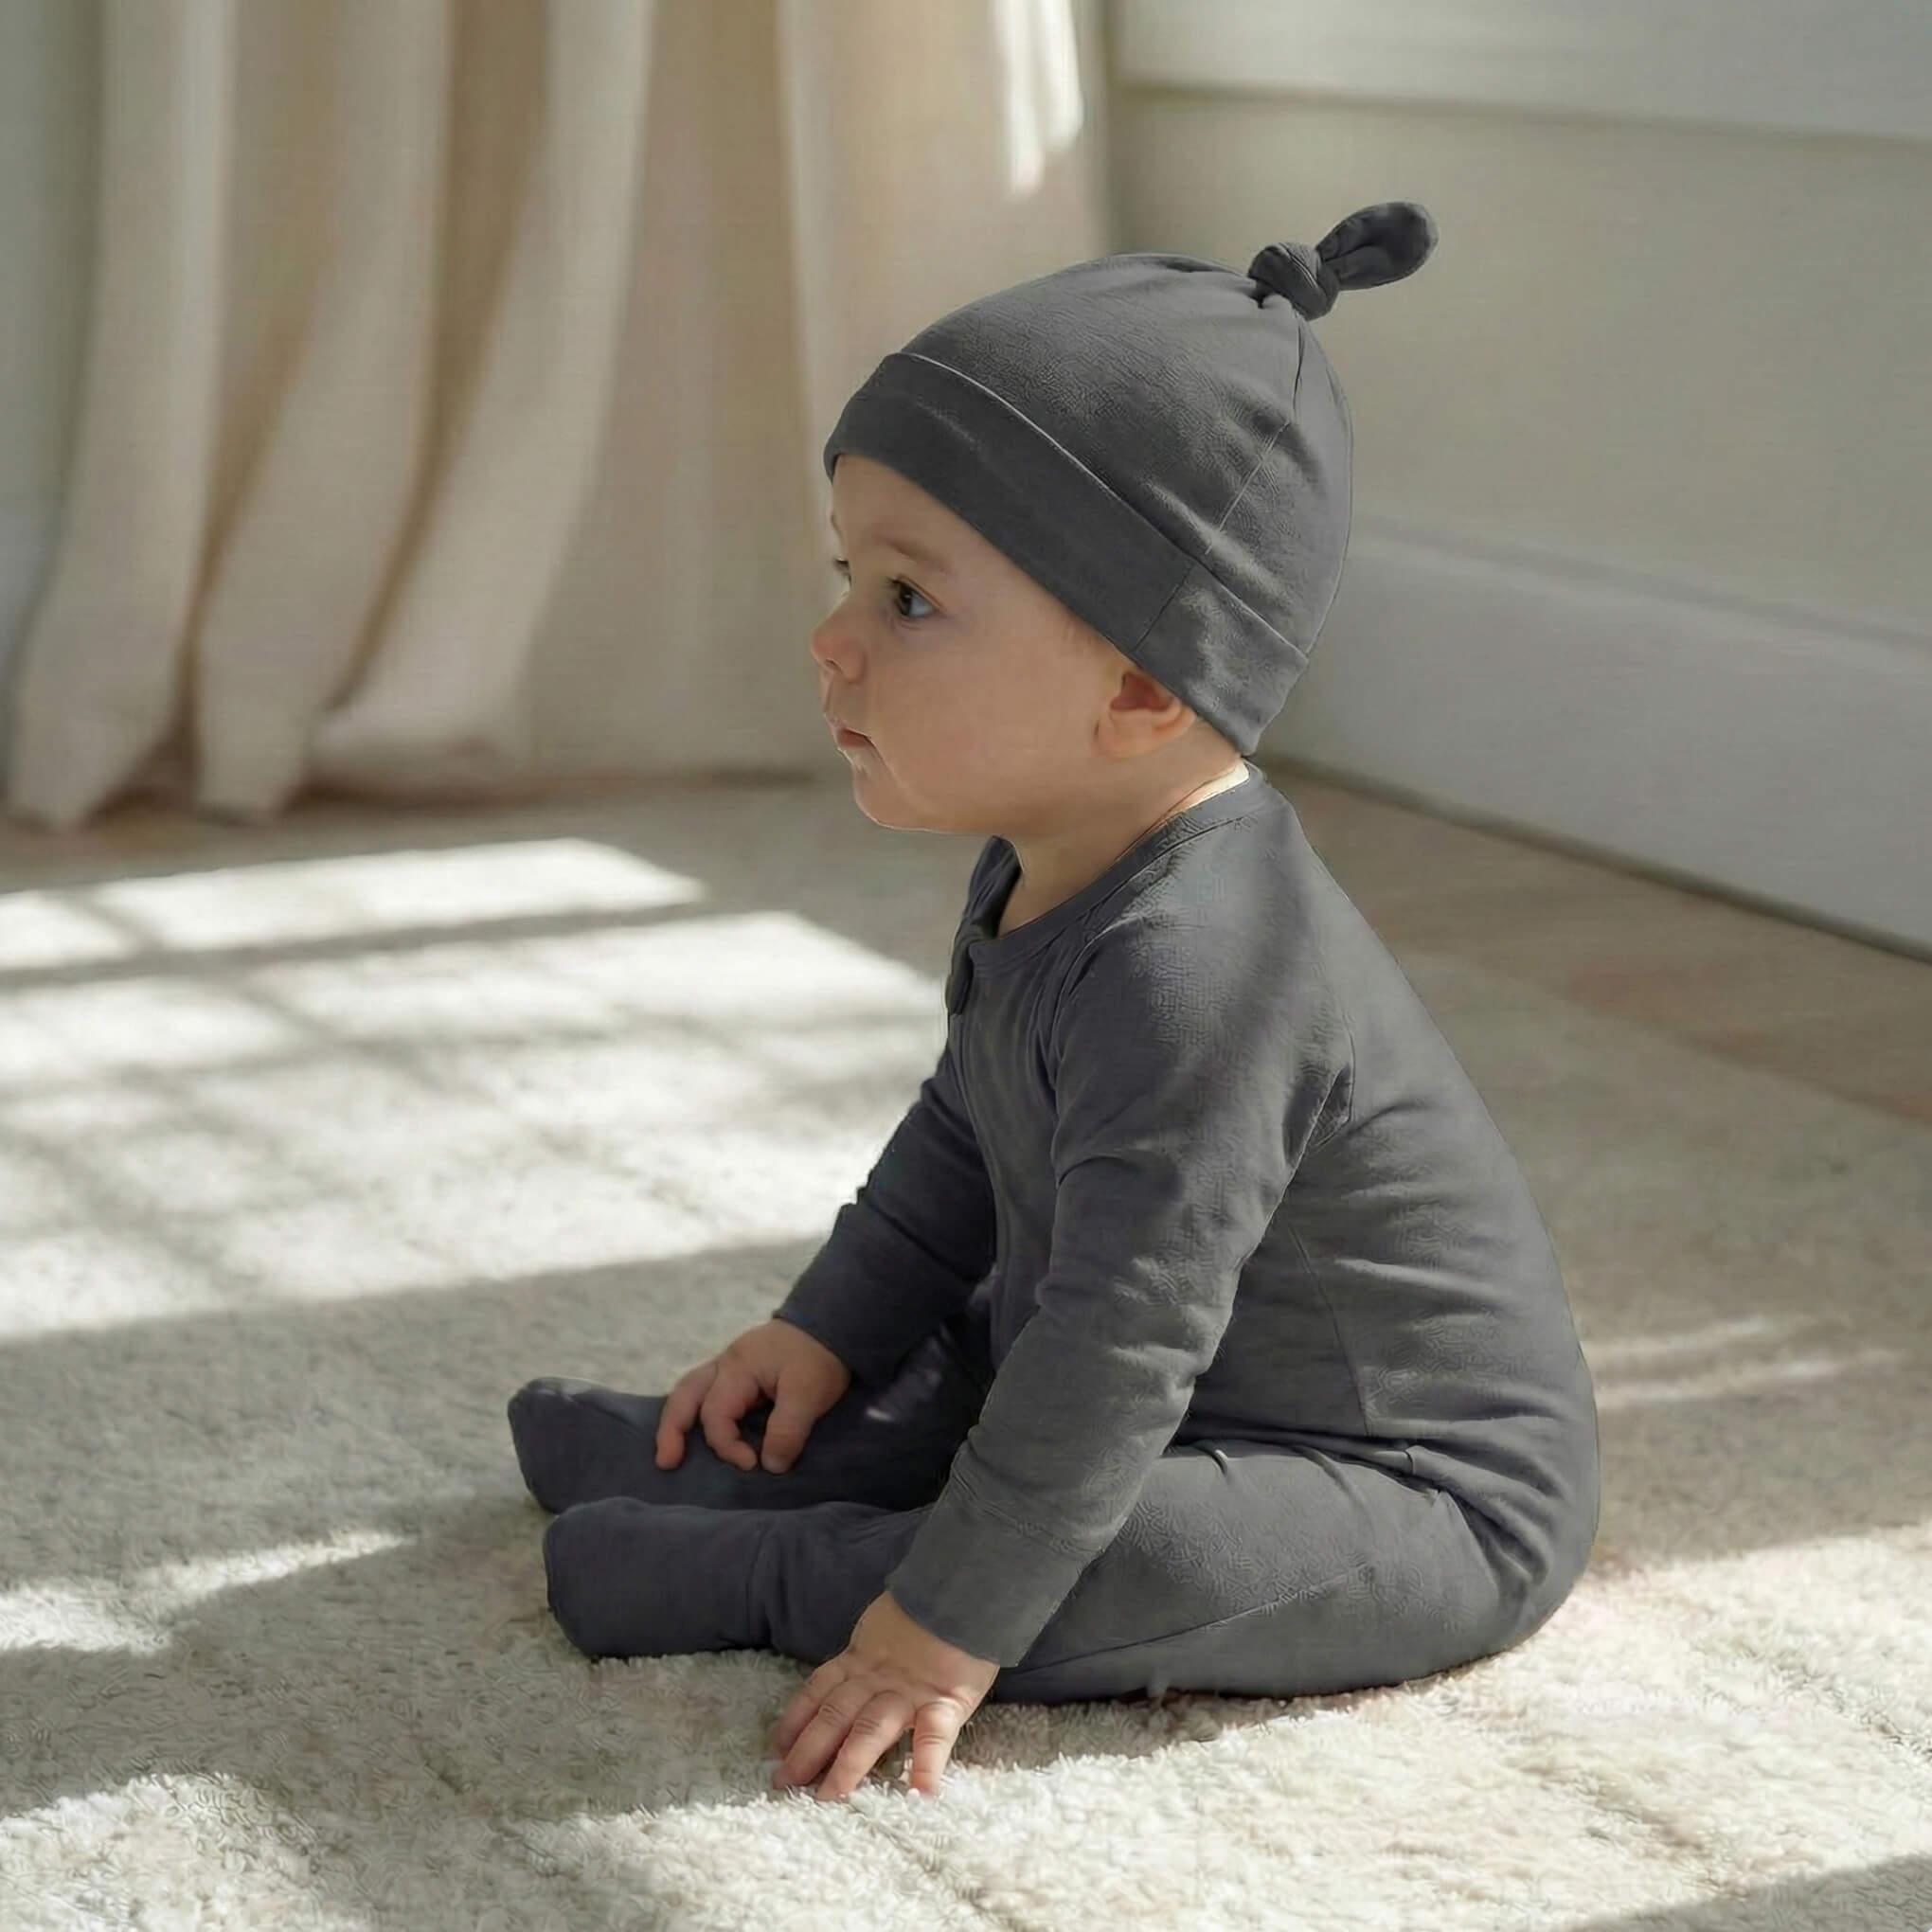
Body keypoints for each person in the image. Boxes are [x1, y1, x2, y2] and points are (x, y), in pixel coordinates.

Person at [508, 202, 1601, 1804]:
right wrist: (824, 1331)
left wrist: (923, 1639)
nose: (831, 643)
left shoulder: (1203, 969)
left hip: (1400, 1491)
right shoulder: (1056, 858)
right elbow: (967, 1130)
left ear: (1146, 683)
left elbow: (1121, 1349)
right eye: (849, 578)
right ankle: (761, 1455)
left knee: (1110, 1541)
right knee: (977, 1343)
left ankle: (786, 1569)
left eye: (909, 602)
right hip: (1145, 1369)